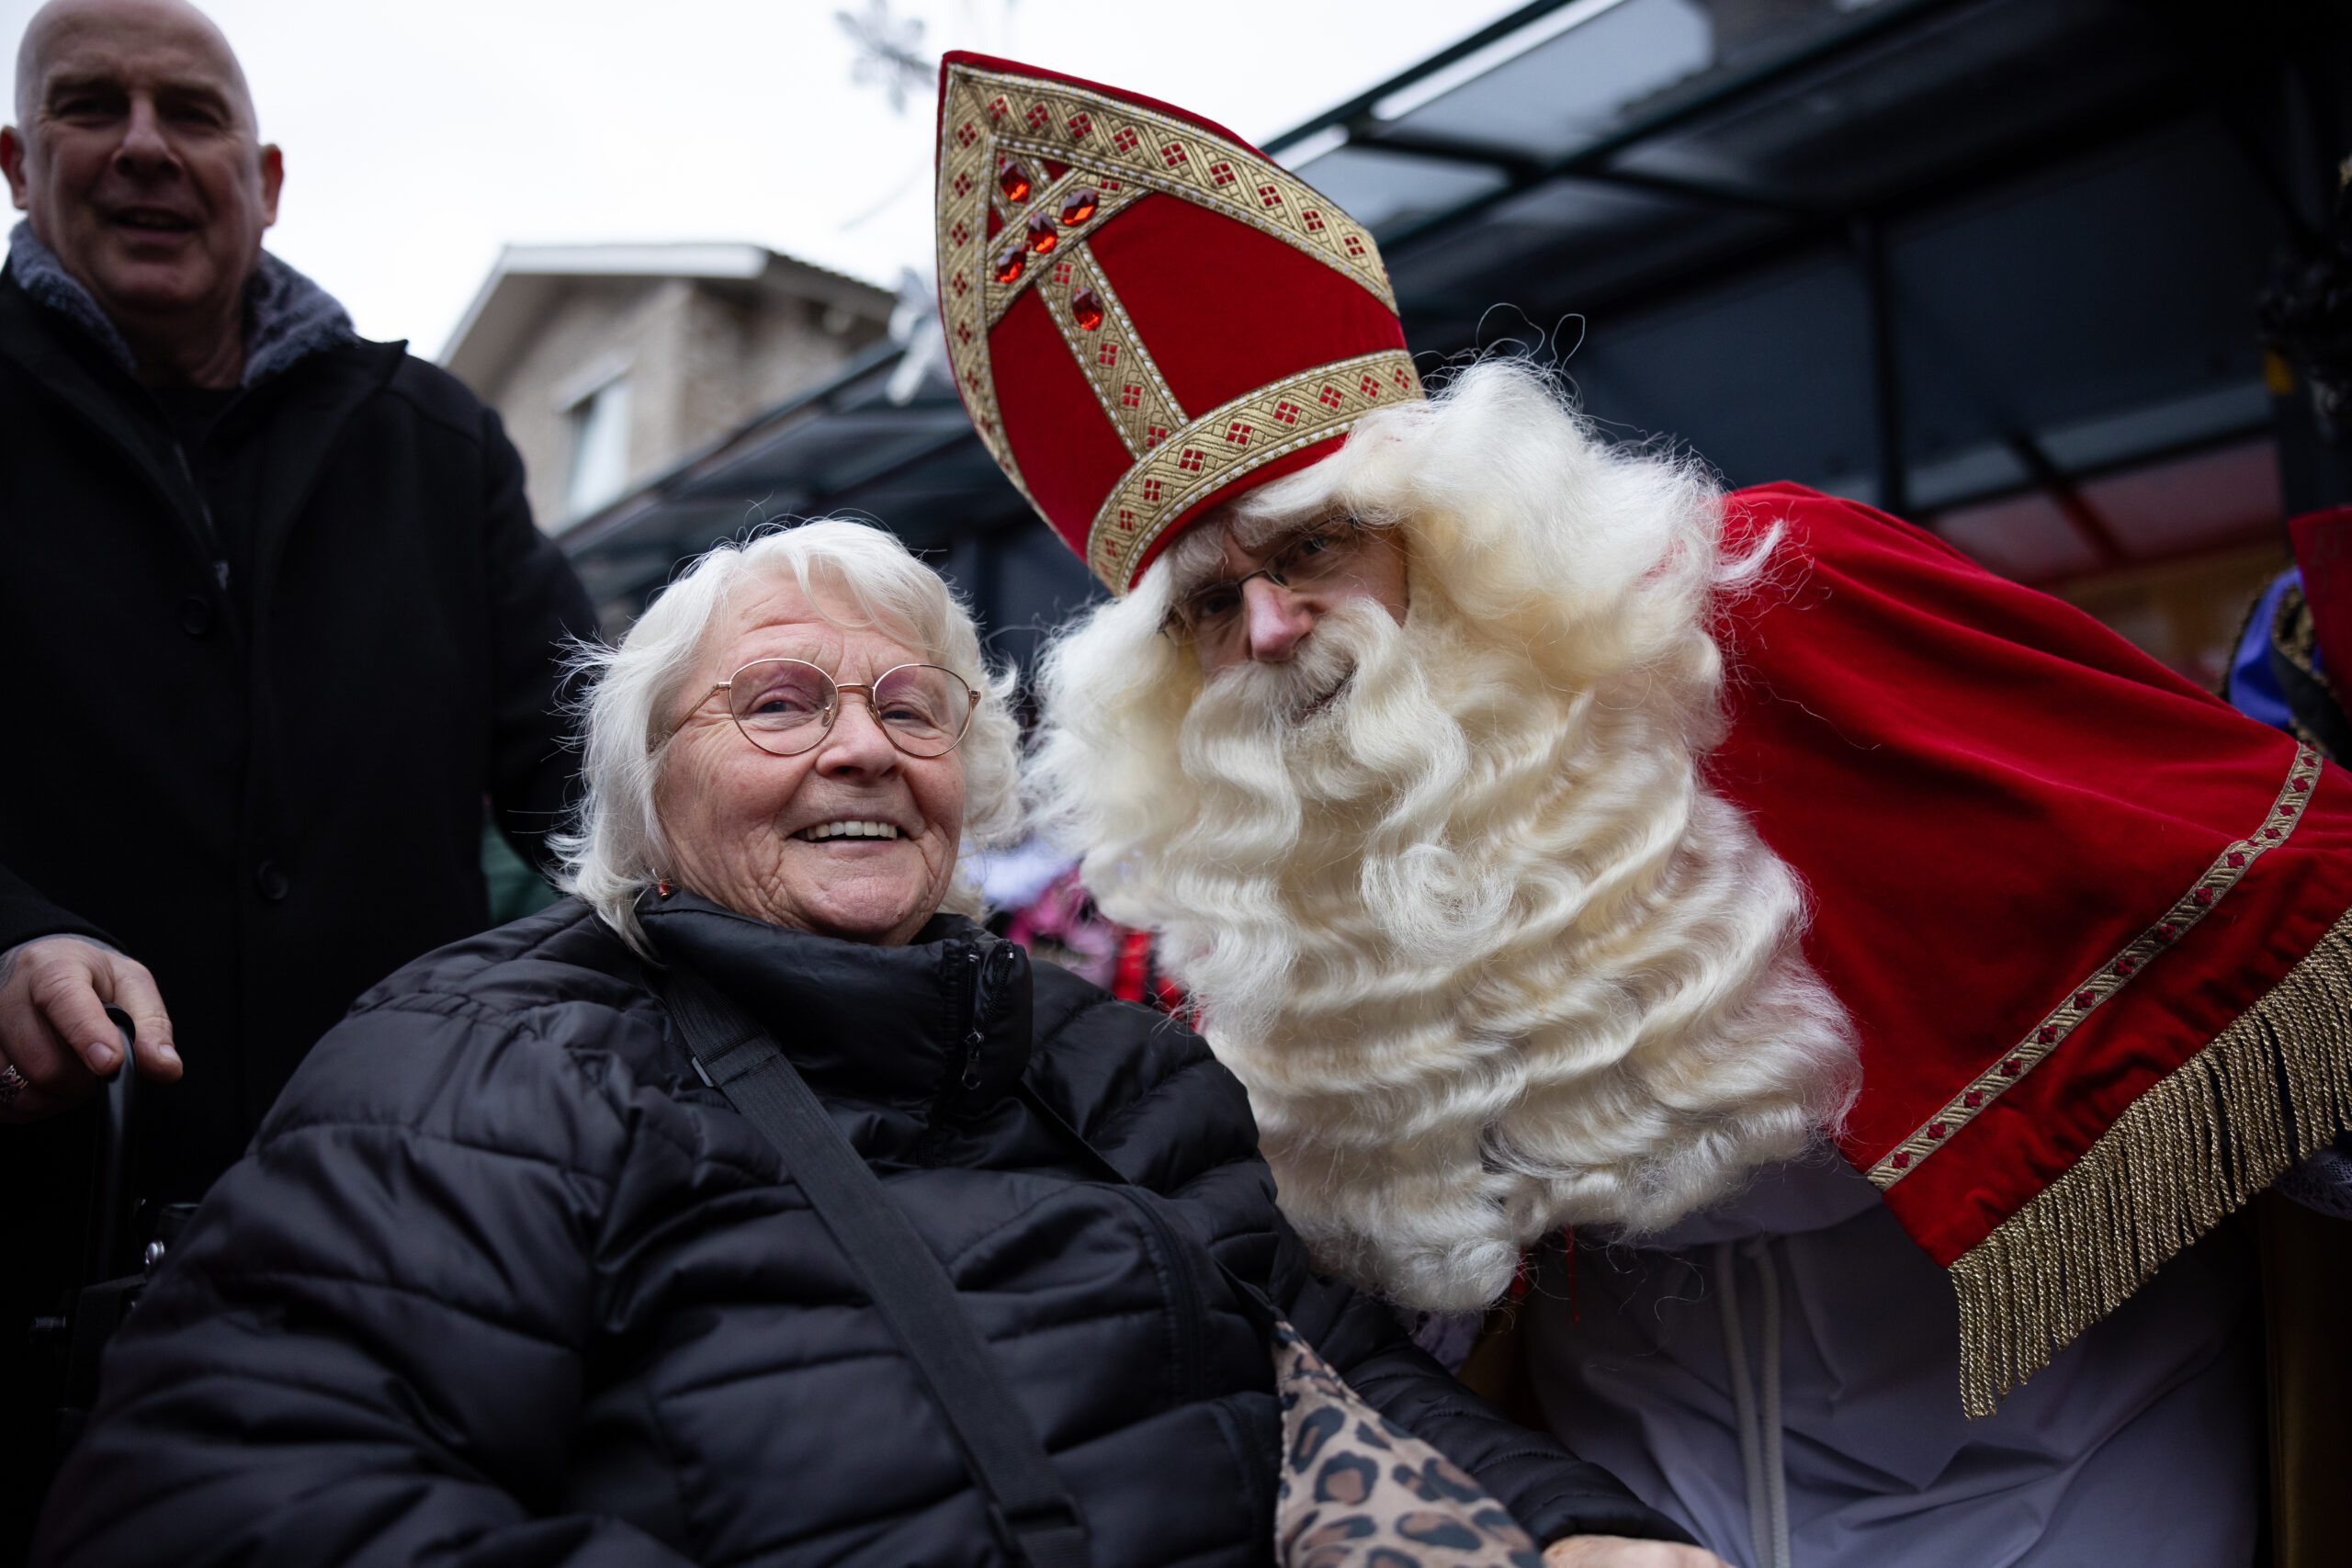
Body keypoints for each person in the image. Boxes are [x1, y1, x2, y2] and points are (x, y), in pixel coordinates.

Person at [929, 52, 2352, 1568]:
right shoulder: (1271, 861)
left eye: (1316, 546)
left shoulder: (1758, 607)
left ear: (1443, 520)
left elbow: (2284, 901)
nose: (1273, 628)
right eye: (1213, 604)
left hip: (2062, 1488)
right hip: (1631, 1509)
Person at [33, 520, 1709, 1568]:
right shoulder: (480, 1055)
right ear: (645, 785)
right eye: (778, 704)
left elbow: (1351, 1382)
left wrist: (1580, 1530)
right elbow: (215, 1502)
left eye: (913, 710)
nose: (862, 749)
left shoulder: (1114, 1067)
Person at [0, 0, 594, 1544]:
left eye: (190, 113)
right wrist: (12, 937)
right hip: (39, 1229)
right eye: (92, 106)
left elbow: (584, 765)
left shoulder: (433, 443)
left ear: (264, 180)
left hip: (405, 1220)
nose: (145, 146)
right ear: (16, 162)